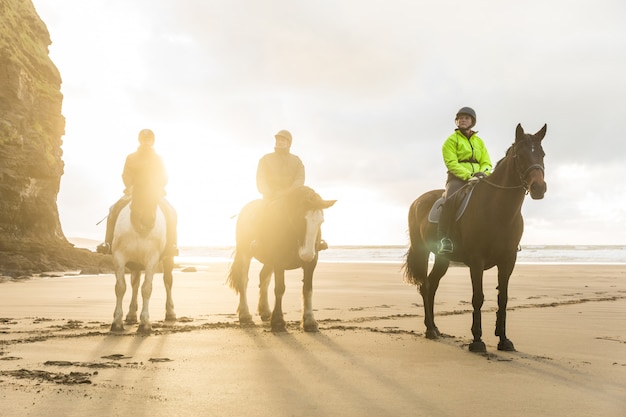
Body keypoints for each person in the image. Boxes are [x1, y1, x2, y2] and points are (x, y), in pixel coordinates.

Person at [96, 129, 178, 257]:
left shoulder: (158, 159)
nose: (146, 142)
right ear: (140, 141)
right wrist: (130, 187)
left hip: (153, 192)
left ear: (152, 141)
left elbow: (164, 176)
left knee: (171, 211)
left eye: (149, 139)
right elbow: (126, 174)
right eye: (144, 139)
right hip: (134, 191)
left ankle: (171, 245)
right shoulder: (131, 157)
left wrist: (158, 187)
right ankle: (108, 243)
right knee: (113, 209)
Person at [255, 129, 327, 250]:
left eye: (282, 140)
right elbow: (261, 179)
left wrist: (289, 192)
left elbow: (300, 178)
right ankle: (258, 240)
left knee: (311, 212)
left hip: (291, 197)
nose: (279, 142)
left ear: (289, 143)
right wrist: (270, 192)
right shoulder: (265, 159)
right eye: (278, 140)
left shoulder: (296, 160)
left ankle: (317, 242)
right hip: (270, 196)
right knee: (262, 211)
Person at [437, 107, 492, 254]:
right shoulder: (450, 140)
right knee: (450, 199)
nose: (463, 120)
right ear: (457, 121)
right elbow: (451, 163)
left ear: (472, 122)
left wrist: (483, 173)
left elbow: (487, 162)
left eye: (466, 118)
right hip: (457, 179)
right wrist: (469, 176)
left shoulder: (479, 142)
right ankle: (445, 239)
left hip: (479, 178)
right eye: (460, 118)